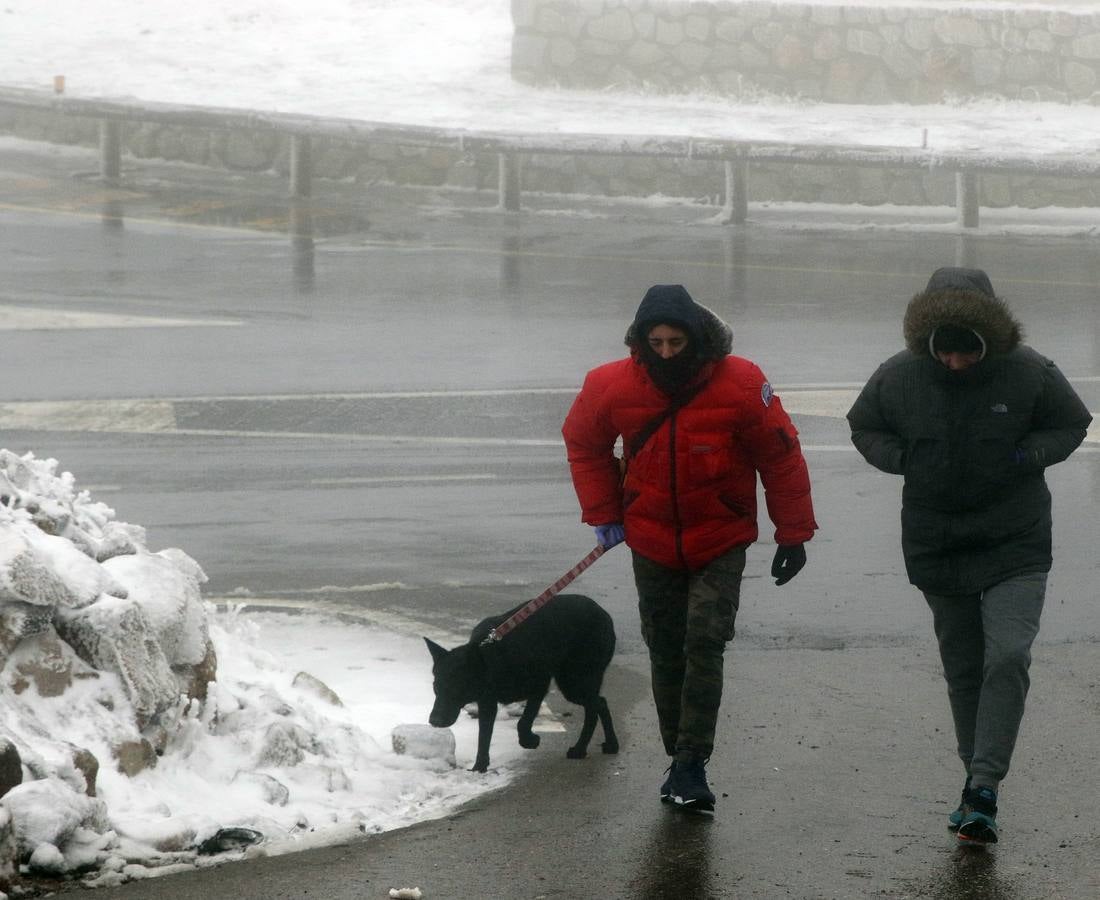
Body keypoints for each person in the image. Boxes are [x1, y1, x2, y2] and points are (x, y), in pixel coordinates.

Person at [846, 267, 1092, 846]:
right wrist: (904, 459)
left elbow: (1072, 421)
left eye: (967, 351)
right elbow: (864, 426)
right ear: (926, 342)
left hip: (1016, 539)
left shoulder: (1029, 371)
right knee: (963, 667)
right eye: (944, 352)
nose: (955, 362)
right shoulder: (899, 375)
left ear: (990, 338)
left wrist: (1029, 454)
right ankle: (974, 782)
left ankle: (984, 784)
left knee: (1007, 656)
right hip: (938, 540)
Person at [561, 283, 817, 811]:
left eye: (676, 342)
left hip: (719, 537)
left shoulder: (742, 382)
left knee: (704, 639)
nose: (666, 353)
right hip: (650, 538)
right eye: (656, 343)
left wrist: (793, 533)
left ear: (696, 338)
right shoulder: (609, 384)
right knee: (665, 645)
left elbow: (780, 455)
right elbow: (583, 443)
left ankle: (690, 761)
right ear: (640, 340)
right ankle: (678, 754)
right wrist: (606, 512)